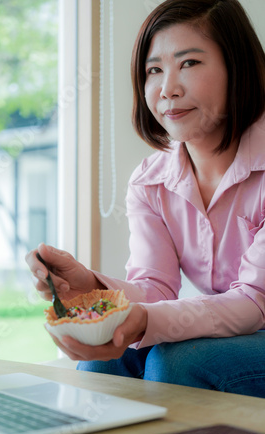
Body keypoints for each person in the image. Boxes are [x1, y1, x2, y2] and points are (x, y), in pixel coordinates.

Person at [26, 0, 265, 398]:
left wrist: (139, 321)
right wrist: (90, 285)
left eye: (189, 63)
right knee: (109, 357)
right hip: (243, 331)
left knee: (176, 362)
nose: (167, 89)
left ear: (237, 67)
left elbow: (255, 302)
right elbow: (154, 288)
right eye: (154, 70)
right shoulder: (152, 181)